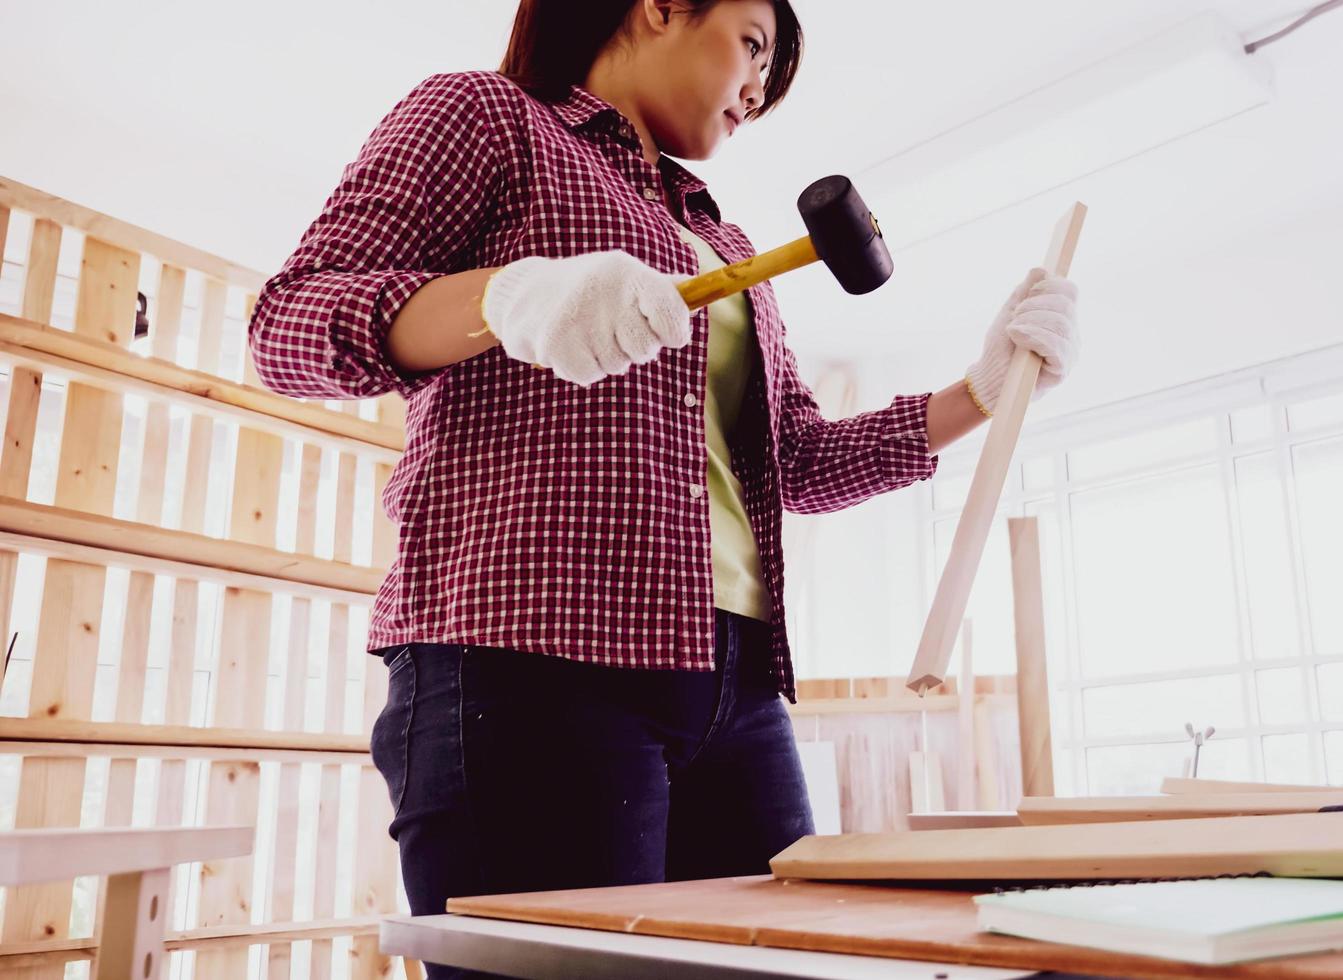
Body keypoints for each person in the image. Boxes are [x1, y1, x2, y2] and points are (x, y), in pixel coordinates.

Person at [247, 2, 1078, 975]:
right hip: (531, 662)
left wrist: (979, 390)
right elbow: (287, 326)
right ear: (655, 7)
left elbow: (795, 457)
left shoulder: (727, 246)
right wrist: (505, 298)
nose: (758, 91)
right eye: (753, 46)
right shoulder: (487, 118)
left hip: (735, 687)